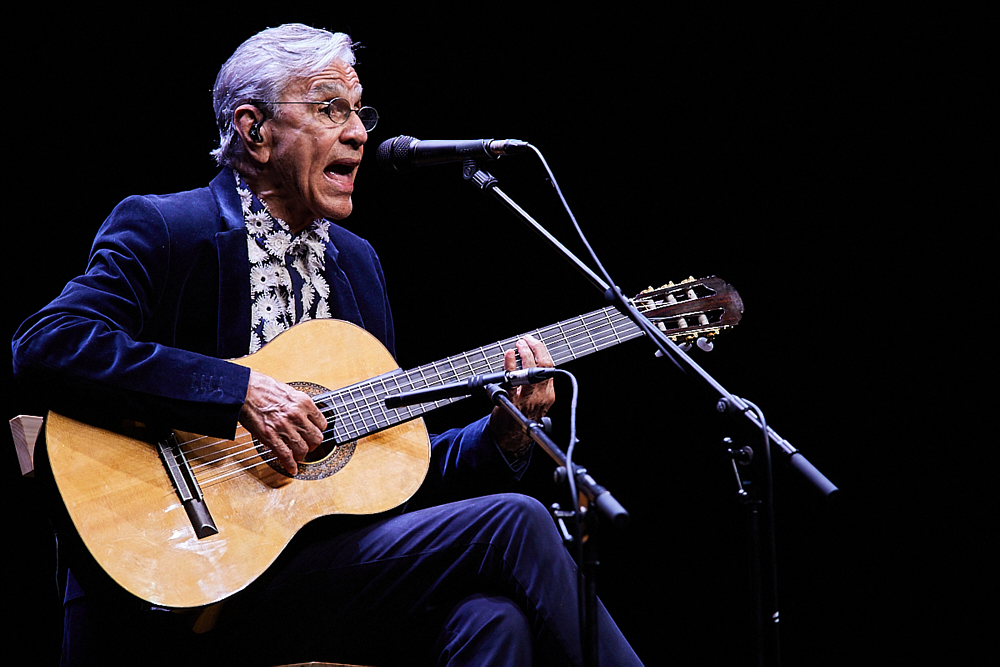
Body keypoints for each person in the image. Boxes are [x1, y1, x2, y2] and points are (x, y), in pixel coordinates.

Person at [12, 23, 642, 666]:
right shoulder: (170, 228)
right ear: (254, 131)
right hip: (182, 572)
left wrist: (502, 435)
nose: (360, 132)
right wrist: (239, 391)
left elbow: (390, 469)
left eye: (359, 111)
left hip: (314, 578)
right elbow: (48, 344)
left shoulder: (358, 265)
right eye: (328, 109)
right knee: (517, 521)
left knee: (493, 620)